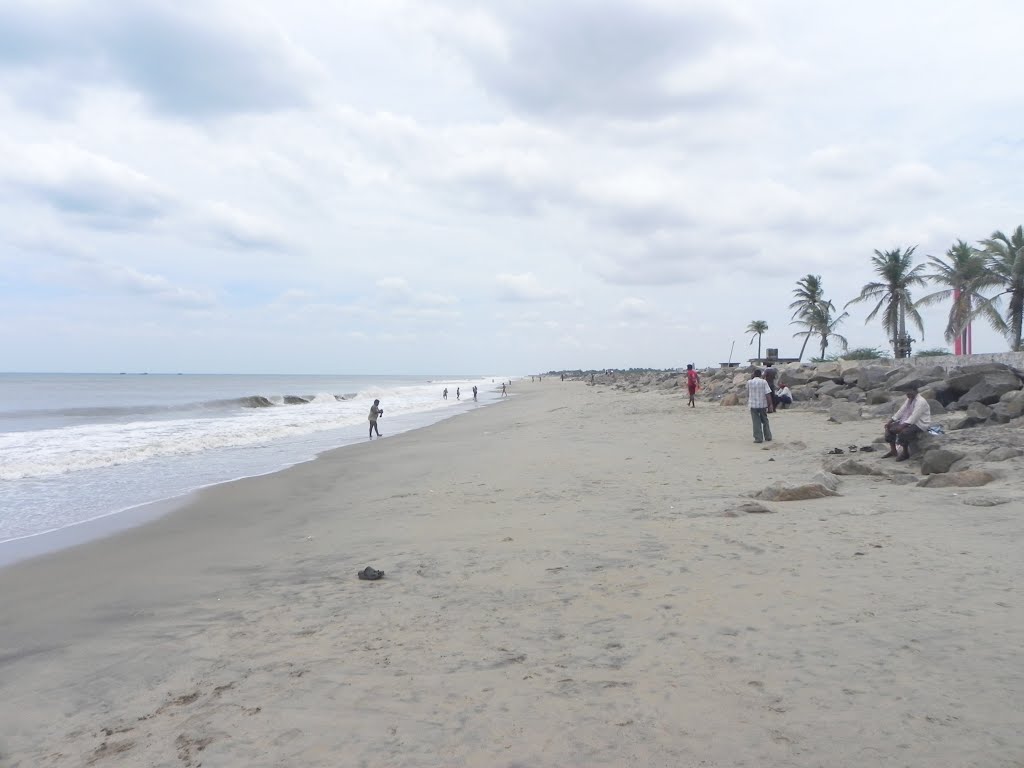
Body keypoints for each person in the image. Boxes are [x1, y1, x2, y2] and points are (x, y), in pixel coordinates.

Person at [882, 386, 931, 461]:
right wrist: (891, 421)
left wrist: (902, 426)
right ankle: (893, 450)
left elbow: (914, 417)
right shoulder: (909, 400)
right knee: (889, 427)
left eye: (909, 392)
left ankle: (905, 453)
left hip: (920, 423)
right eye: (906, 393)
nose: (908, 394)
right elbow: (901, 411)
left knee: (904, 432)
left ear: (915, 391)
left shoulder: (921, 401)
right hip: (908, 420)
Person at [746, 369, 773, 444]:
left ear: (754, 374)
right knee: (765, 420)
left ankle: (758, 438)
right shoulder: (764, 382)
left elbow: (747, 393)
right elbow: (768, 394)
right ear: (761, 374)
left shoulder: (749, 382)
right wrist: (770, 404)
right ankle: (768, 436)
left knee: (756, 421)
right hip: (762, 404)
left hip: (753, 404)